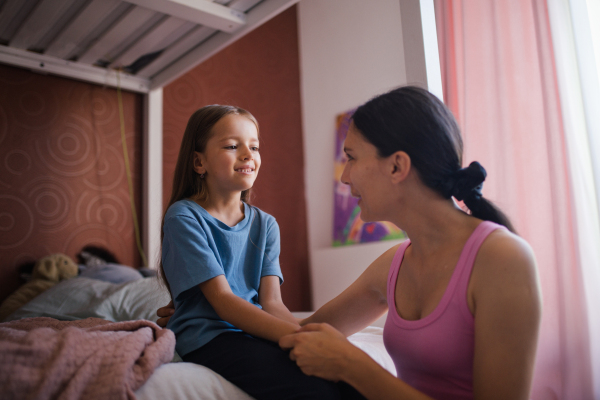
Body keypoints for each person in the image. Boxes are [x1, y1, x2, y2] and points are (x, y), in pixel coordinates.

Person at [158, 88, 542, 400]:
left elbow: (293, 322)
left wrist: (353, 366)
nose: (344, 178)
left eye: (352, 158)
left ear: (397, 167)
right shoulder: (394, 264)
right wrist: (198, 308)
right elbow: (309, 332)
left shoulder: (503, 259)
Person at [158, 105, 365, 400]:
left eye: (254, 147)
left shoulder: (266, 224)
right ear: (198, 162)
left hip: (252, 331)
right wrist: (295, 337)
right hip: (210, 338)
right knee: (313, 390)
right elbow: (224, 301)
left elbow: (272, 303)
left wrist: (311, 340)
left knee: (347, 383)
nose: (247, 154)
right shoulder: (184, 217)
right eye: (232, 145)